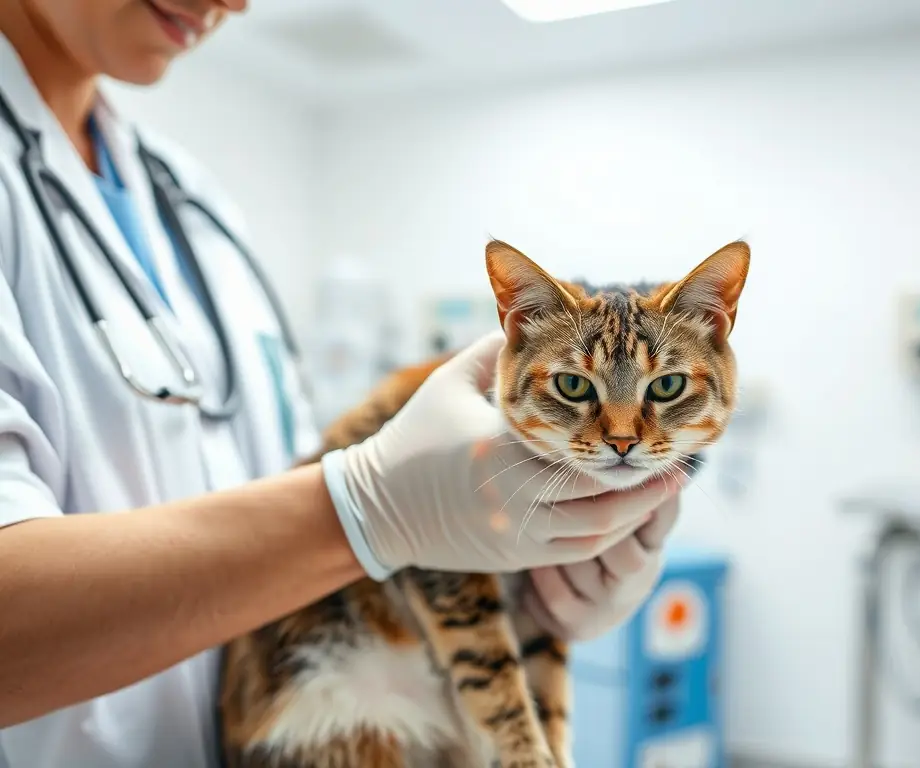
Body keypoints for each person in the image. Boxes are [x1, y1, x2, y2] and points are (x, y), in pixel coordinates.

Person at [0, 2, 684, 767]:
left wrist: (536, 580)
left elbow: (261, 476)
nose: (233, 3)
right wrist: (364, 511)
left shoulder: (188, 201)